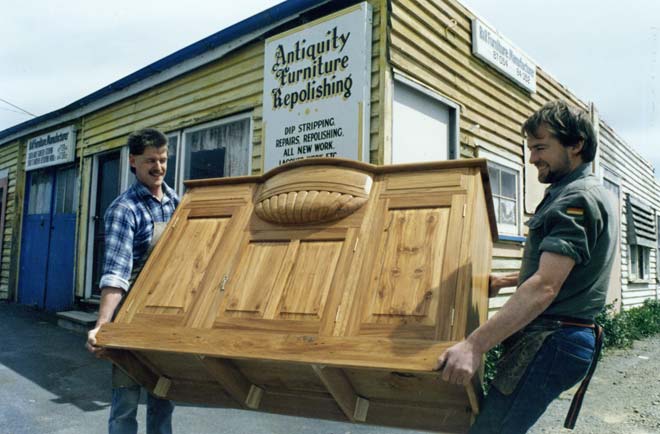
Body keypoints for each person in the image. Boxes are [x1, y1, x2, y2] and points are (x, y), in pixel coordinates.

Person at [436, 100, 617, 433]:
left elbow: (546, 286)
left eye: (540, 147)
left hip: (553, 339)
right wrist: (504, 280)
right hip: (561, 336)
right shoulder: (586, 192)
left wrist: (473, 345)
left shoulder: (574, 200)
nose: (532, 158)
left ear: (575, 145)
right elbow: (564, 270)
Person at [86, 128, 180, 434]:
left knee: (163, 399)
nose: (159, 167)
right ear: (133, 161)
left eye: (163, 159)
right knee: (126, 403)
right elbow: (116, 272)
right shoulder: (124, 210)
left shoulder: (176, 203)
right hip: (130, 318)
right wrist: (103, 324)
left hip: (165, 316)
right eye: (150, 160)